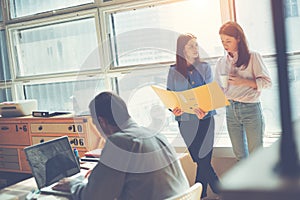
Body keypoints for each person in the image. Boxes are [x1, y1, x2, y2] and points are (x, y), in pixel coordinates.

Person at [54, 91, 189, 200]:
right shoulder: (156, 135)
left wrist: (73, 184)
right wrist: (100, 174)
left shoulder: (119, 142)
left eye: (95, 125)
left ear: (102, 121)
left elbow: (94, 197)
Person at [167, 33, 220, 198]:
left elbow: (210, 93)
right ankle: (218, 190)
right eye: (191, 45)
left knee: (203, 159)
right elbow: (170, 95)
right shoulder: (173, 71)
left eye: (196, 45)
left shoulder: (204, 67)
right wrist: (173, 108)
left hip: (205, 119)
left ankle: (200, 195)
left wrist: (204, 107)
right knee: (200, 159)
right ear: (182, 50)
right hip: (185, 121)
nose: (196, 48)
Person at [214, 21, 272, 161]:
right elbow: (217, 91)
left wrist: (243, 82)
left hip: (250, 109)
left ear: (238, 39)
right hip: (230, 110)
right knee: (239, 155)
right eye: (222, 41)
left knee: (256, 156)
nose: (225, 44)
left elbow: (267, 83)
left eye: (228, 40)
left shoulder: (253, 57)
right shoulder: (221, 62)